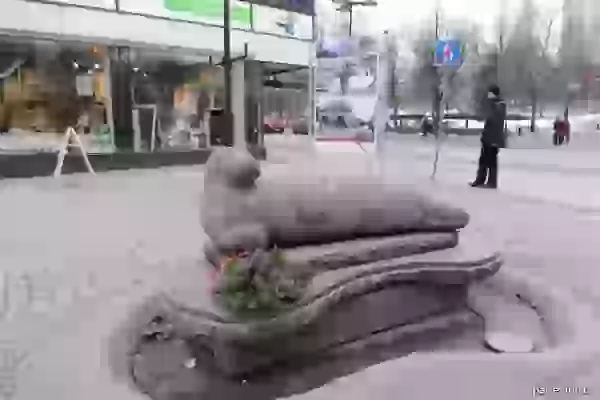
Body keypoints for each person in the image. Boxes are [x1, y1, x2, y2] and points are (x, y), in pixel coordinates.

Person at [470, 84, 506, 189]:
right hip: (487, 137)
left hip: (493, 138)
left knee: (491, 161)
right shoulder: (493, 104)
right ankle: (480, 179)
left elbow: (494, 120)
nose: (488, 95)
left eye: (489, 93)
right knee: (483, 159)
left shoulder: (499, 105)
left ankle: (491, 182)